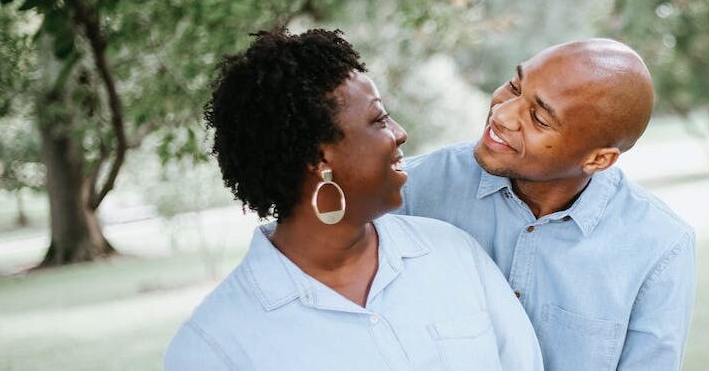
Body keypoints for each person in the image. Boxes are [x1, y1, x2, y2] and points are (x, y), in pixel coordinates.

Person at [164, 29, 542, 371]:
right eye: (378, 120)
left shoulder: (453, 253)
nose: (400, 133)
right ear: (318, 158)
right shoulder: (212, 347)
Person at [399, 38, 696, 370]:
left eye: (539, 118)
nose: (501, 113)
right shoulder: (411, 191)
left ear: (599, 159)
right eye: (514, 87)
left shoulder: (660, 247)